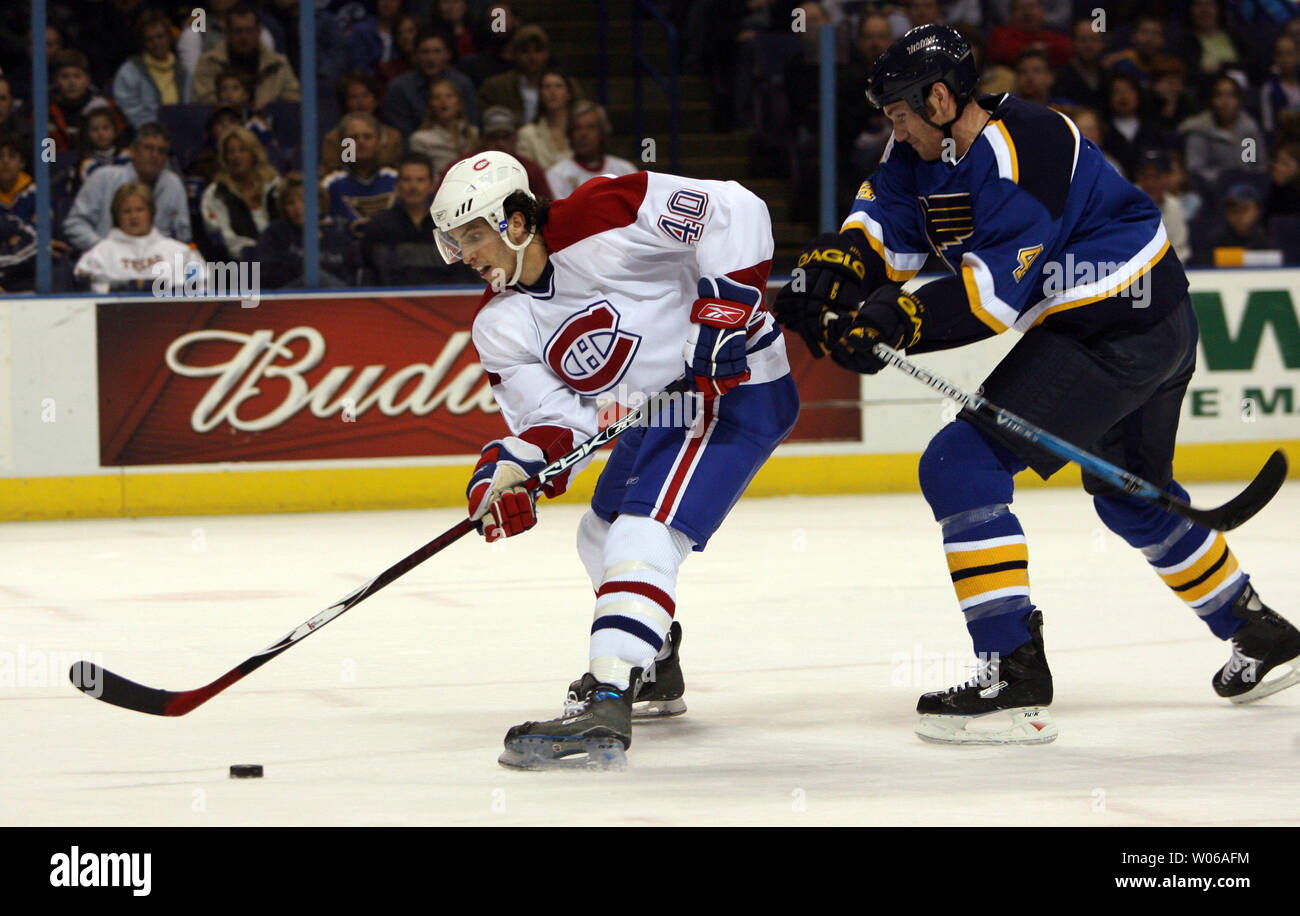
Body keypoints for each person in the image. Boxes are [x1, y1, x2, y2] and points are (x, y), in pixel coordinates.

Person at [773, 24, 1300, 746]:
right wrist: (834, 271)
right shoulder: (920, 143)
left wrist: (894, 320)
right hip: (1153, 321)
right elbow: (885, 220)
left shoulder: (1031, 146)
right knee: (1129, 500)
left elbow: (990, 295)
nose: (889, 127)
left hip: (1115, 327)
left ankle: (1014, 673)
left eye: (896, 111)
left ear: (936, 98)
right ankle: (1259, 630)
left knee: (960, 463)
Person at [430, 152, 799, 768]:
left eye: (474, 235)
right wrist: (509, 472)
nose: (465, 254)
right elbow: (557, 422)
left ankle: (606, 698)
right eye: (454, 241)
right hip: (659, 412)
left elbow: (737, 211)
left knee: (641, 531)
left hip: (732, 389)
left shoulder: (602, 213)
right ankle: (651, 666)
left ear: (516, 223)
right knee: (598, 531)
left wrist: (722, 318)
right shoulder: (500, 324)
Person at [64, 123, 190, 251]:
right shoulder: (103, 177)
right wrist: (104, 250)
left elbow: (183, 234)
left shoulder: (173, 184)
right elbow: (75, 224)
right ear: (133, 151)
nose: (155, 155)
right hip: (107, 262)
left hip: (156, 263)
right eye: (148, 148)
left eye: (161, 151)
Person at [362, 152, 476, 286]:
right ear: (397, 184)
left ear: (432, 185)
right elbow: (371, 275)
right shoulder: (379, 226)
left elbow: (461, 275)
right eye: (406, 180)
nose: (413, 187)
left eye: (420, 180)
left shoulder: (450, 227)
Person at [73, 182, 203, 293]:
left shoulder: (181, 252)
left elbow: (202, 288)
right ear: (116, 215)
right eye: (126, 211)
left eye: (140, 209)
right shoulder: (99, 254)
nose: (134, 216)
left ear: (151, 212)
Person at [191, 3, 301, 108]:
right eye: (238, 31)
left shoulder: (278, 65)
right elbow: (203, 104)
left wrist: (268, 108)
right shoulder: (209, 62)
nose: (244, 37)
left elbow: (293, 103)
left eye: (249, 31)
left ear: (258, 32)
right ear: (227, 33)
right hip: (223, 124)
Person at [200, 125, 280, 259]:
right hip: (240, 265)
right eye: (231, 152)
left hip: (281, 261)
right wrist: (257, 252)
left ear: (254, 154)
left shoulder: (275, 185)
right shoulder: (215, 194)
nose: (236, 156)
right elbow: (224, 236)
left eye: (242, 150)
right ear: (224, 158)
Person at [381, 29, 479, 135]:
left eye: (437, 51)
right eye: (425, 52)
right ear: (415, 55)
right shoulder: (399, 88)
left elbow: (472, 123)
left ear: (448, 54)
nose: (431, 58)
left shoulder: (462, 84)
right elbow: (401, 133)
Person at [1179, 74, 1267, 184]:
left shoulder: (1248, 131)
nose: (1225, 102)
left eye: (1231, 95)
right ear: (1212, 100)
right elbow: (1196, 171)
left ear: (1239, 100)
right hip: (1212, 191)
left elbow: (1256, 167)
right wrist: (1226, 178)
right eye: (1219, 95)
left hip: (1246, 190)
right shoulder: (1200, 131)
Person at [112, 9, 190, 129]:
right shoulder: (129, 71)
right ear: (143, 42)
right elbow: (129, 110)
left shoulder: (182, 70)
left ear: (169, 37)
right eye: (150, 39)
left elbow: (189, 105)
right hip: (144, 135)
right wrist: (156, 130)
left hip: (180, 132)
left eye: (160, 36)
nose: (156, 43)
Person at [320, 112, 398, 232]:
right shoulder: (330, 184)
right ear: (343, 146)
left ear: (378, 143)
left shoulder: (397, 179)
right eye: (353, 138)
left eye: (367, 136)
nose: (361, 142)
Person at [545, 102, 638, 199]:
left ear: (602, 133)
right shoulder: (557, 175)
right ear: (570, 134)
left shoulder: (625, 171)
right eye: (577, 128)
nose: (583, 134)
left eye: (591, 127)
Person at [320, 72, 404, 174]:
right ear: (345, 102)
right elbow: (335, 172)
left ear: (375, 100)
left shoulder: (393, 137)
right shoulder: (333, 138)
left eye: (365, 95)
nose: (360, 102)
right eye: (353, 97)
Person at [477, 24, 551, 125]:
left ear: (547, 53)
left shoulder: (561, 86)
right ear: (514, 54)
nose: (532, 57)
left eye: (538, 50)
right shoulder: (495, 87)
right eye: (525, 51)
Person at [409, 78, 480, 178]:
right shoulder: (420, 139)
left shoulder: (473, 133)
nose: (443, 101)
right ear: (431, 105)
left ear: (459, 103)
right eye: (437, 97)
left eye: (449, 96)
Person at [515, 70, 578, 171]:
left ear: (569, 93)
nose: (553, 92)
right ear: (540, 94)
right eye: (547, 87)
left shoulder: (581, 131)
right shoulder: (527, 134)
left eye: (559, 86)